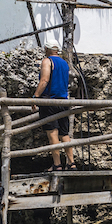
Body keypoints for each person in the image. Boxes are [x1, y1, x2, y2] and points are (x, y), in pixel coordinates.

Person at [32, 36, 75, 171]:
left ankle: (57, 164)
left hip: (50, 101)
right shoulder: (64, 63)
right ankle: (71, 163)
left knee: (53, 133)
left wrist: (35, 97)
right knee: (64, 133)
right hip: (63, 101)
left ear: (47, 49)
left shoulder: (47, 61)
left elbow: (44, 80)